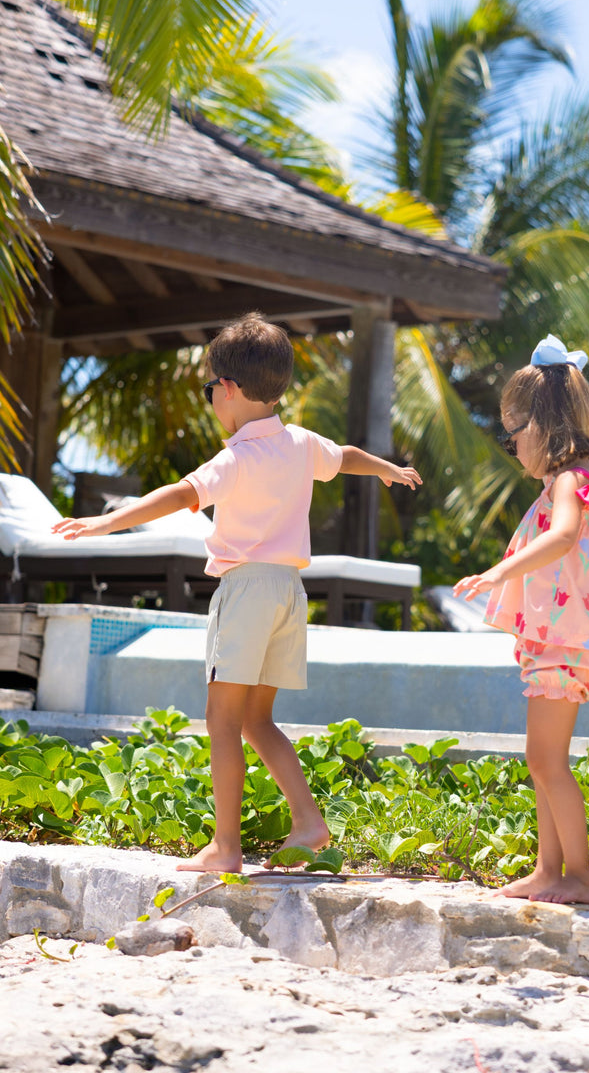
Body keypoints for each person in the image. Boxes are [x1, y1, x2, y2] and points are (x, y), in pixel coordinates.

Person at [53, 312, 422, 874]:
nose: (211, 401)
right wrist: (385, 469)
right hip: (289, 591)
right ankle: (308, 821)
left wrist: (104, 523)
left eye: (209, 390)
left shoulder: (236, 458)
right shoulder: (300, 443)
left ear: (226, 388)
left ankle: (226, 847)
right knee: (257, 720)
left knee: (223, 721)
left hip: (246, 590)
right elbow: (345, 455)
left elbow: (179, 495)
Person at [454, 334, 589, 904]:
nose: (512, 448)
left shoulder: (569, 482)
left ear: (540, 427)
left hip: (566, 642)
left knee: (545, 760)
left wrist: (498, 572)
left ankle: (579, 877)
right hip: (561, 640)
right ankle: (548, 870)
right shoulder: (577, 479)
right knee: (543, 761)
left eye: (512, 435)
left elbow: (562, 538)